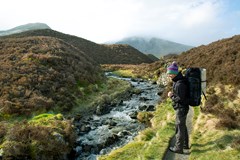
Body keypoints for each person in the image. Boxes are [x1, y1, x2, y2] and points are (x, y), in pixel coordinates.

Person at [167, 61, 189, 154]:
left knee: (179, 127)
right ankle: (185, 144)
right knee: (182, 126)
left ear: (175, 73)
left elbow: (180, 99)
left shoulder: (180, 84)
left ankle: (178, 148)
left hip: (181, 108)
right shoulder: (178, 80)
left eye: (170, 74)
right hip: (182, 108)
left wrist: (171, 96)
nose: (169, 76)